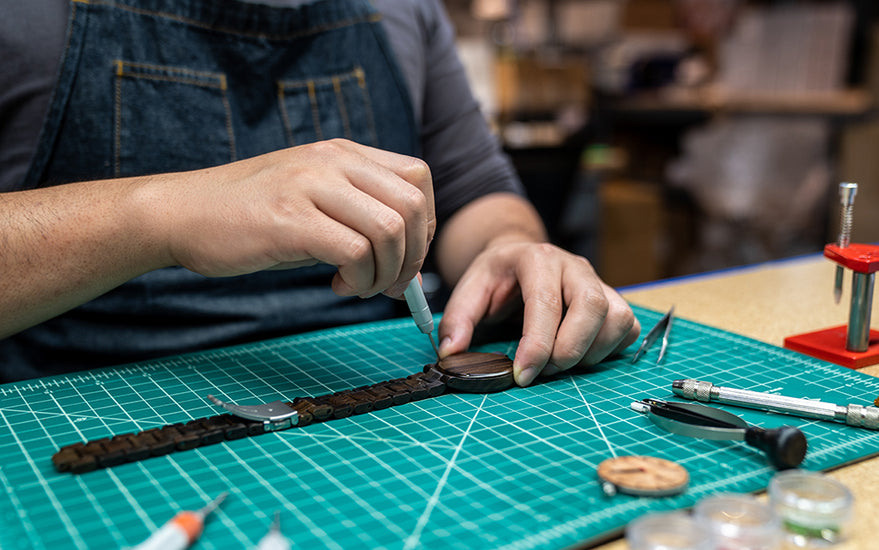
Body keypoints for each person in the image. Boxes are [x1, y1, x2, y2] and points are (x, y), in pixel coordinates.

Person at [0, 0, 639, 384]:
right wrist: (160, 214)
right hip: (83, 402)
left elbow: (477, 189)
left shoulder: (402, 10)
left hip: (372, 389)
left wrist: (512, 246)